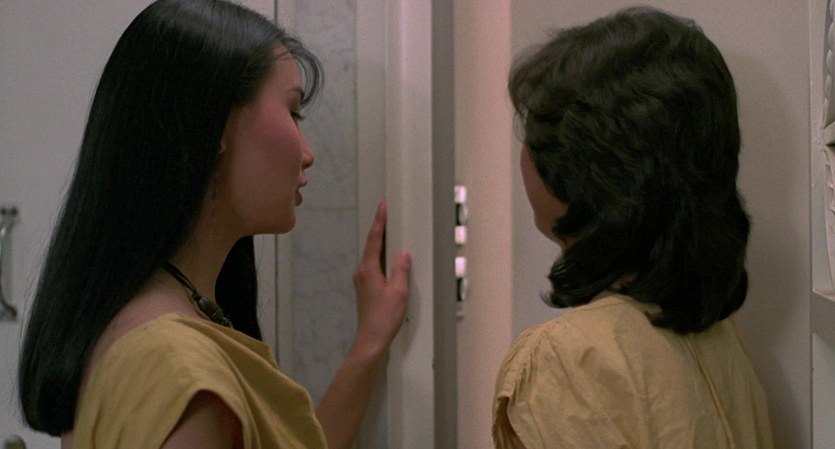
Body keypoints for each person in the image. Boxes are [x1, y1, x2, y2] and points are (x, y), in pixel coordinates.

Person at [17, 1, 411, 448]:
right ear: (216, 125)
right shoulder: (177, 371)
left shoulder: (150, 330)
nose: (307, 153)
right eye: (293, 112)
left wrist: (370, 342)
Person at [493, 6, 774, 448]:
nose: (525, 154)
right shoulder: (719, 338)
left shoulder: (566, 359)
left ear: (586, 170)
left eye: (536, 136)